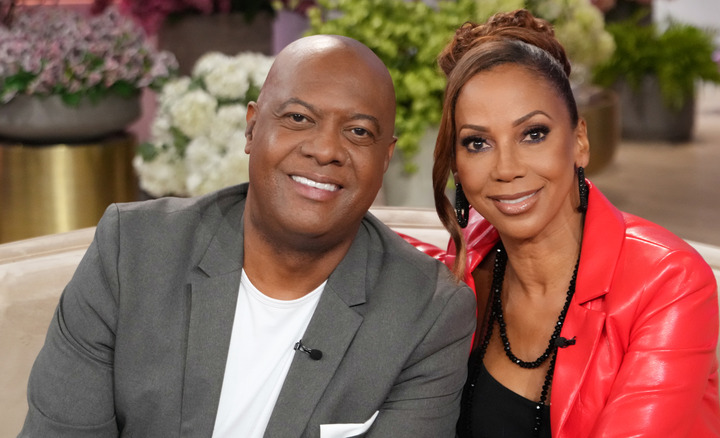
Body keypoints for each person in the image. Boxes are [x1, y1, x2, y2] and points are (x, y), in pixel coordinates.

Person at [19, 35, 476, 437]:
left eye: (358, 132)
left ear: (385, 157)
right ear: (252, 127)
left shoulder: (427, 314)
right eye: (299, 118)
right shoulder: (131, 252)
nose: (324, 149)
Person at [407, 9, 720, 437]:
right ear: (457, 166)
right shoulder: (463, 271)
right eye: (477, 142)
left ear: (579, 141)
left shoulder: (670, 283)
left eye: (533, 134)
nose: (506, 168)